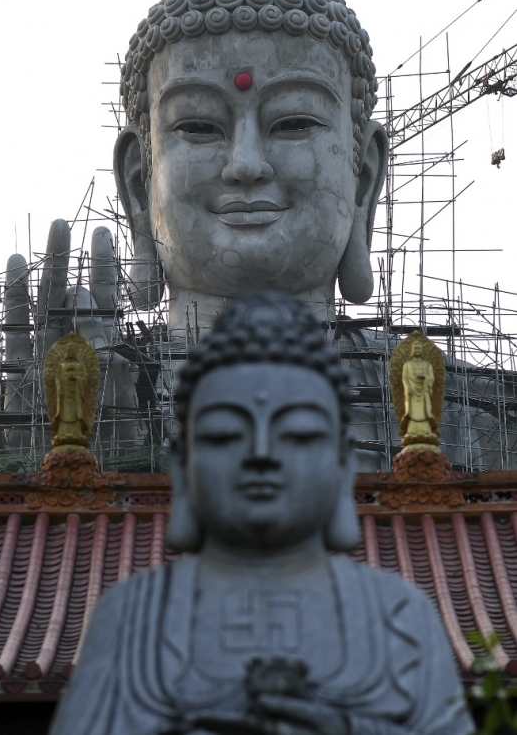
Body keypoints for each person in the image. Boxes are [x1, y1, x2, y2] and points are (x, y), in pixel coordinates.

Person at [2, 0, 515, 471]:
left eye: (293, 123)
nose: (245, 163)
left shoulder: (472, 412)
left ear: (363, 178)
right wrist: (51, 470)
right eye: (199, 126)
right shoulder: (95, 388)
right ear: (139, 185)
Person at [50, 292, 473, 735]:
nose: (262, 454)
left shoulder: (399, 618)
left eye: (298, 433)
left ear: (342, 465)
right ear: (182, 465)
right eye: (226, 434)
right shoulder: (133, 617)